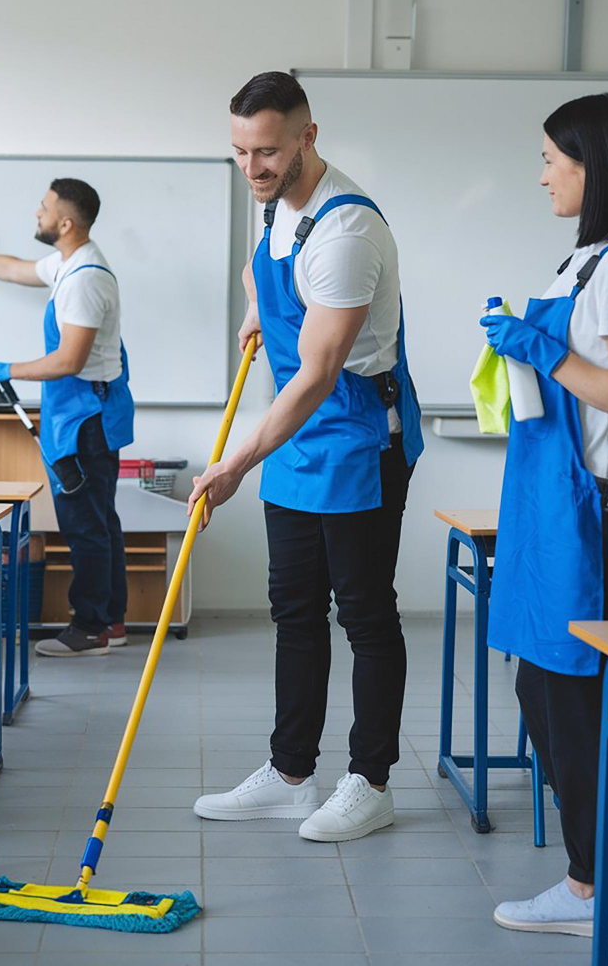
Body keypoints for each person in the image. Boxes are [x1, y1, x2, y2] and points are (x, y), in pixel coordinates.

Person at [190, 71, 424, 841]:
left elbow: (321, 374)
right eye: (239, 151)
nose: (252, 167)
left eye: (266, 151)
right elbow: (279, 275)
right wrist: (260, 308)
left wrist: (235, 464)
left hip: (357, 433)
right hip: (298, 435)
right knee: (294, 609)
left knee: (363, 612)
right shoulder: (278, 206)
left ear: (307, 138)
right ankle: (292, 773)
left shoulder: (347, 229)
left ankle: (372, 780)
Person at [484, 93, 608, 936]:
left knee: (581, 699)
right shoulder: (587, 262)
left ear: (598, 168)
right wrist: (519, 339)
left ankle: (598, 888)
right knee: (547, 690)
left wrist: (545, 350)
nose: (543, 177)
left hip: (595, 523)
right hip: (555, 510)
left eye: (553, 162)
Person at [0, 179, 133, 657]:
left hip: (86, 420)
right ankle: (112, 622)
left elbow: (69, 361)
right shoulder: (68, 263)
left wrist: (6, 369)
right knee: (101, 522)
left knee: (85, 526)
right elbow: (18, 269)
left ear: (66, 222)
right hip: (85, 416)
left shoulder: (84, 280)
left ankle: (89, 630)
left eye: (43, 208)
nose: (36, 213)